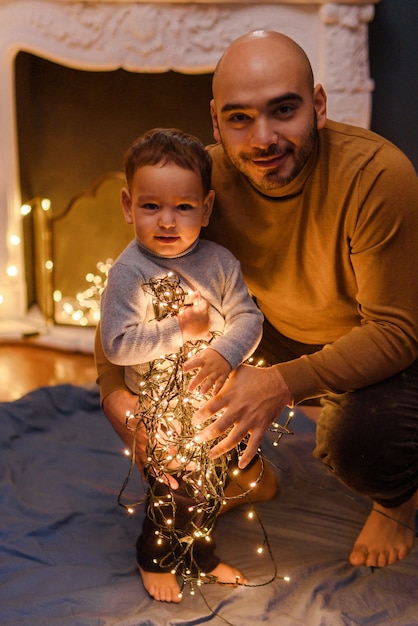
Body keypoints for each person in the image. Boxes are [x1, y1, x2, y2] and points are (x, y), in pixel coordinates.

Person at [95, 30, 418, 583]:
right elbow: (132, 278)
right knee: (180, 383)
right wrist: (113, 393)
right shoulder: (204, 180)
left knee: (364, 442)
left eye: (284, 110)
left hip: (373, 344)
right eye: (240, 118)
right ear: (216, 122)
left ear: (317, 105)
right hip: (263, 327)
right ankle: (245, 476)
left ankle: (396, 504)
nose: (263, 137)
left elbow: (397, 331)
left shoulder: (377, 178)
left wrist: (278, 384)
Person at [98, 128, 265, 603]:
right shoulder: (128, 273)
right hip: (158, 409)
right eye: (151, 207)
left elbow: (248, 318)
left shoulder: (220, 262)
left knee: (212, 484)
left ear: (206, 208)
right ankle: (153, 556)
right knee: (173, 487)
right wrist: (181, 330)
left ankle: (200, 554)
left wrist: (222, 352)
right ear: (129, 206)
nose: (167, 221)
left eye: (184, 207)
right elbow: (117, 345)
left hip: (214, 402)